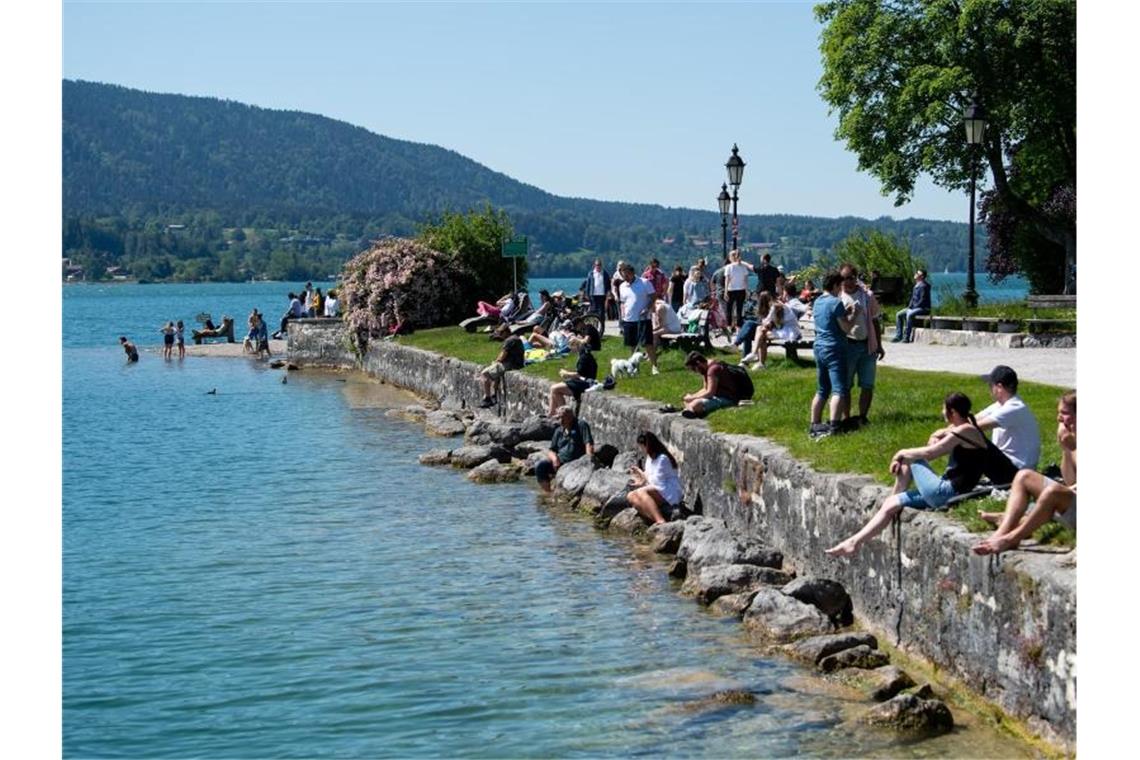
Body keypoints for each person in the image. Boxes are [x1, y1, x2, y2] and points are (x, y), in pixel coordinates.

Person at [825, 392, 1010, 557]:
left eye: (943, 409)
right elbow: (935, 443)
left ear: (952, 412)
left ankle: (897, 492)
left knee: (911, 459)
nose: (941, 412)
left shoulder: (966, 430)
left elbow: (931, 453)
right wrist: (933, 437)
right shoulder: (965, 429)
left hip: (945, 493)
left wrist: (901, 453)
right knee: (891, 503)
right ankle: (854, 542)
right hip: (943, 492)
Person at [973, 391, 1076, 555]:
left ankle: (1012, 538)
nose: (1059, 419)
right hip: (1073, 499)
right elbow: (1070, 480)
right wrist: (1067, 449)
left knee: (1052, 492)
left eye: (1064, 413)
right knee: (1023, 476)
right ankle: (1002, 531)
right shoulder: (1072, 437)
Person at [809, 273, 857, 439]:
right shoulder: (836, 302)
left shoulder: (818, 302)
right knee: (839, 389)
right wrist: (854, 314)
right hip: (834, 348)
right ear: (836, 285)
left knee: (822, 388)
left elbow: (829, 319)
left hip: (819, 347)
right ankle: (834, 425)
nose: (841, 289)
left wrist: (845, 312)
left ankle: (814, 424)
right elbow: (845, 328)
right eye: (840, 286)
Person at [838, 264, 884, 425]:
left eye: (851, 277)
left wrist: (878, 344)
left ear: (856, 278)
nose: (848, 281)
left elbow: (875, 320)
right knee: (845, 385)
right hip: (847, 346)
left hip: (867, 345)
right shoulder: (838, 297)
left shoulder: (867, 296)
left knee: (867, 384)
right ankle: (847, 418)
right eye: (844, 278)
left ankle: (863, 417)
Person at [974, 365, 1041, 471]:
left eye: (991, 385)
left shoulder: (1014, 408)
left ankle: (953, 483)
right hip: (1009, 463)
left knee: (967, 438)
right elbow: (973, 419)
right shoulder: (1002, 405)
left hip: (1018, 469)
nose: (989, 389)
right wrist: (948, 430)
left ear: (999, 387)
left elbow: (975, 427)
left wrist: (949, 433)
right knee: (965, 436)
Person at [627, 431, 686, 524]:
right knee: (630, 496)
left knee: (641, 492)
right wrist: (640, 476)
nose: (641, 449)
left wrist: (642, 475)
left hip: (668, 490)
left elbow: (656, 481)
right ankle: (653, 518)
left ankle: (660, 520)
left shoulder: (663, 459)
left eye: (642, 446)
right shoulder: (650, 458)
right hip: (658, 488)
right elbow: (649, 476)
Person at [535, 406, 594, 492]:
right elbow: (551, 450)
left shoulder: (581, 425)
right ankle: (548, 492)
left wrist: (589, 460)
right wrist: (555, 459)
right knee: (540, 466)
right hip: (560, 463)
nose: (560, 420)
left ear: (570, 416)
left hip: (575, 463)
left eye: (563, 417)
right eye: (559, 417)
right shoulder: (559, 431)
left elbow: (588, 443)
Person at [681, 350, 752, 418]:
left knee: (696, 404)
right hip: (718, 396)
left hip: (728, 398)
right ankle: (691, 410)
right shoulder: (706, 369)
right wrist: (692, 396)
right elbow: (705, 389)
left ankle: (692, 410)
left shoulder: (713, 370)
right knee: (688, 400)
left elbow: (710, 392)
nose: (695, 372)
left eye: (694, 369)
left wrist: (693, 398)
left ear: (698, 362)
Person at [618, 263, 659, 375]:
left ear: (632, 273)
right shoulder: (622, 286)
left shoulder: (644, 283)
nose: (625, 277)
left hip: (643, 319)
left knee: (648, 344)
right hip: (629, 319)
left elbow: (654, 296)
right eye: (623, 275)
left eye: (626, 275)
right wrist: (622, 316)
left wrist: (647, 308)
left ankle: (654, 366)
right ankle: (635, 367)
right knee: (632, 345)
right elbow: (623, 302)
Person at [547, 335, 599, 415]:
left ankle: (563, 415)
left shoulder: (584, 357)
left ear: (576, 346)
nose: (571, 350)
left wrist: (566, 373)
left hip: (585, 383)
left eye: (571, 347)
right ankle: (551, 413)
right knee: (554, 389)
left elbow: (579, 374)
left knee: (555, 389)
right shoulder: (584, 354)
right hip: (582, 381)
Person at [749, 293, 802, 369]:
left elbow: (766, 321)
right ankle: (757, 358)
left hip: (790, 332)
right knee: (760, 331)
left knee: (761, 332)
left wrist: (767, 324)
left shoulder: (775, 307)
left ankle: (756, 357)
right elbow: (770, 322)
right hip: (786, 330)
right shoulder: (779, 305)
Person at [479, 335, 525, 408]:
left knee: (485, 373)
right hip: (518, 363)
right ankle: (494, 394)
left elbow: (502, 356)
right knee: (495, 372)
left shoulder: (509, 341)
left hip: (510, 364)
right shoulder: (516, 339)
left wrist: (495, 362)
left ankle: (487, 398)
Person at [893, 269, 931, 343]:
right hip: (914, 308)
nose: (915, 274)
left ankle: (906, 337)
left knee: (909, 315)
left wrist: (913, 308)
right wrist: (909, 307)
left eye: (917, 273)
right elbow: (912, 299)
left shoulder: (924, 286)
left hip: (923, 308)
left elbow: (922, 300)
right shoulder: (916, 286)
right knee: (899, 314)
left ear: (922, 276)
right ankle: (898, 335)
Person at [722, 249, 756, 331]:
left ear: (731, 257)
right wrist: (747, 290)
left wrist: (725, 291)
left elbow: (727, 280)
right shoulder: (743, 267)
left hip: (731, 289)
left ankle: (729, 326)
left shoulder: (728, 267)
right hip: (741, 289)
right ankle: (738, 327)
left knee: (729, 308)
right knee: (739, 309)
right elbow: (745, 279)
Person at [580, 258, 612, 333]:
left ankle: (602, 330)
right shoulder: (591, 273)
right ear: (594, 265)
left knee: (601, 313)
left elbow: (608, 284)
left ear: (601, 265)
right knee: (593, 313)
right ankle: (594, 329)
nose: (598, 266)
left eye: (599, 265)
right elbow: (588, 284)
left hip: (602, 296)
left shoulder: (605, 273)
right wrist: (587, 294)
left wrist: (609, 292)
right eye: (597, 265)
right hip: (593, 295)